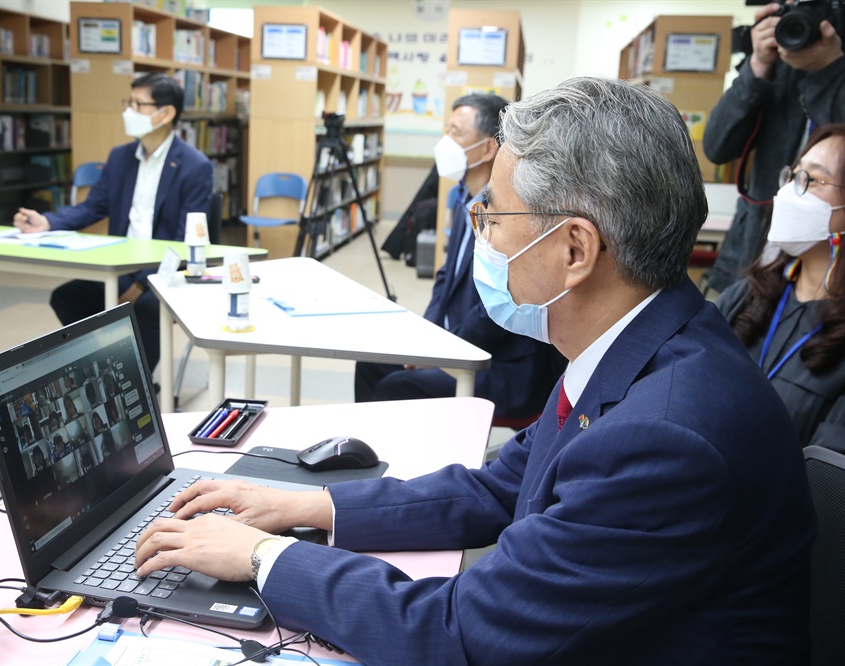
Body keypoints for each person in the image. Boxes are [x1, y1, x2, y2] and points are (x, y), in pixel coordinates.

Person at [134, 78, 815, 664]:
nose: (479, 231)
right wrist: (307, 506)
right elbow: (496, 489)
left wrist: (262, 557)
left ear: (575, 248)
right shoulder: (639, 340)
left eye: (492, 214)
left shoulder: (666, 437)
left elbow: (456, 636)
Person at [354, 94, 566, 419]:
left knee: (397, 387)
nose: (445, 142)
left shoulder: (511, 215)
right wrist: (427, 336)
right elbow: (445, 277)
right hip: (455, 343)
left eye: (456, 133)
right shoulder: (461, 198)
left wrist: (444, 349)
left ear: (487, 148)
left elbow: (499, 302)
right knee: (371, 363)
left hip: (501, 363)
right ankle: (361, 460)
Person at [13, 73, 214, 372]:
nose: (128, 112)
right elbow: (93, 207)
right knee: (67, 298)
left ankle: (137, 381)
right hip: (122, 266)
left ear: (166, 113)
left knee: (147, 309)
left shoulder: (195, 166)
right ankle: (106, 367)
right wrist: (47, 222)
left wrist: (140, 284)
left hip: (167, 272)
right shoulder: (120, 157)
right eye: (128, 102)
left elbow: (183, 240)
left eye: (138, 104)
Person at [716, 124, 845, 450]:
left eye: (811, 180)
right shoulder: (748, 295)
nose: (790, 191)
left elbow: (826, 477)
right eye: (793, 175)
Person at [702, 2, 844, 293]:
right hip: (750, 251)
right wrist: (757, 67)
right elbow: (716, 147)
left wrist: (828, 69)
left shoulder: (835, 65)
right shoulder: (775, 66)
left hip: (829, 264)